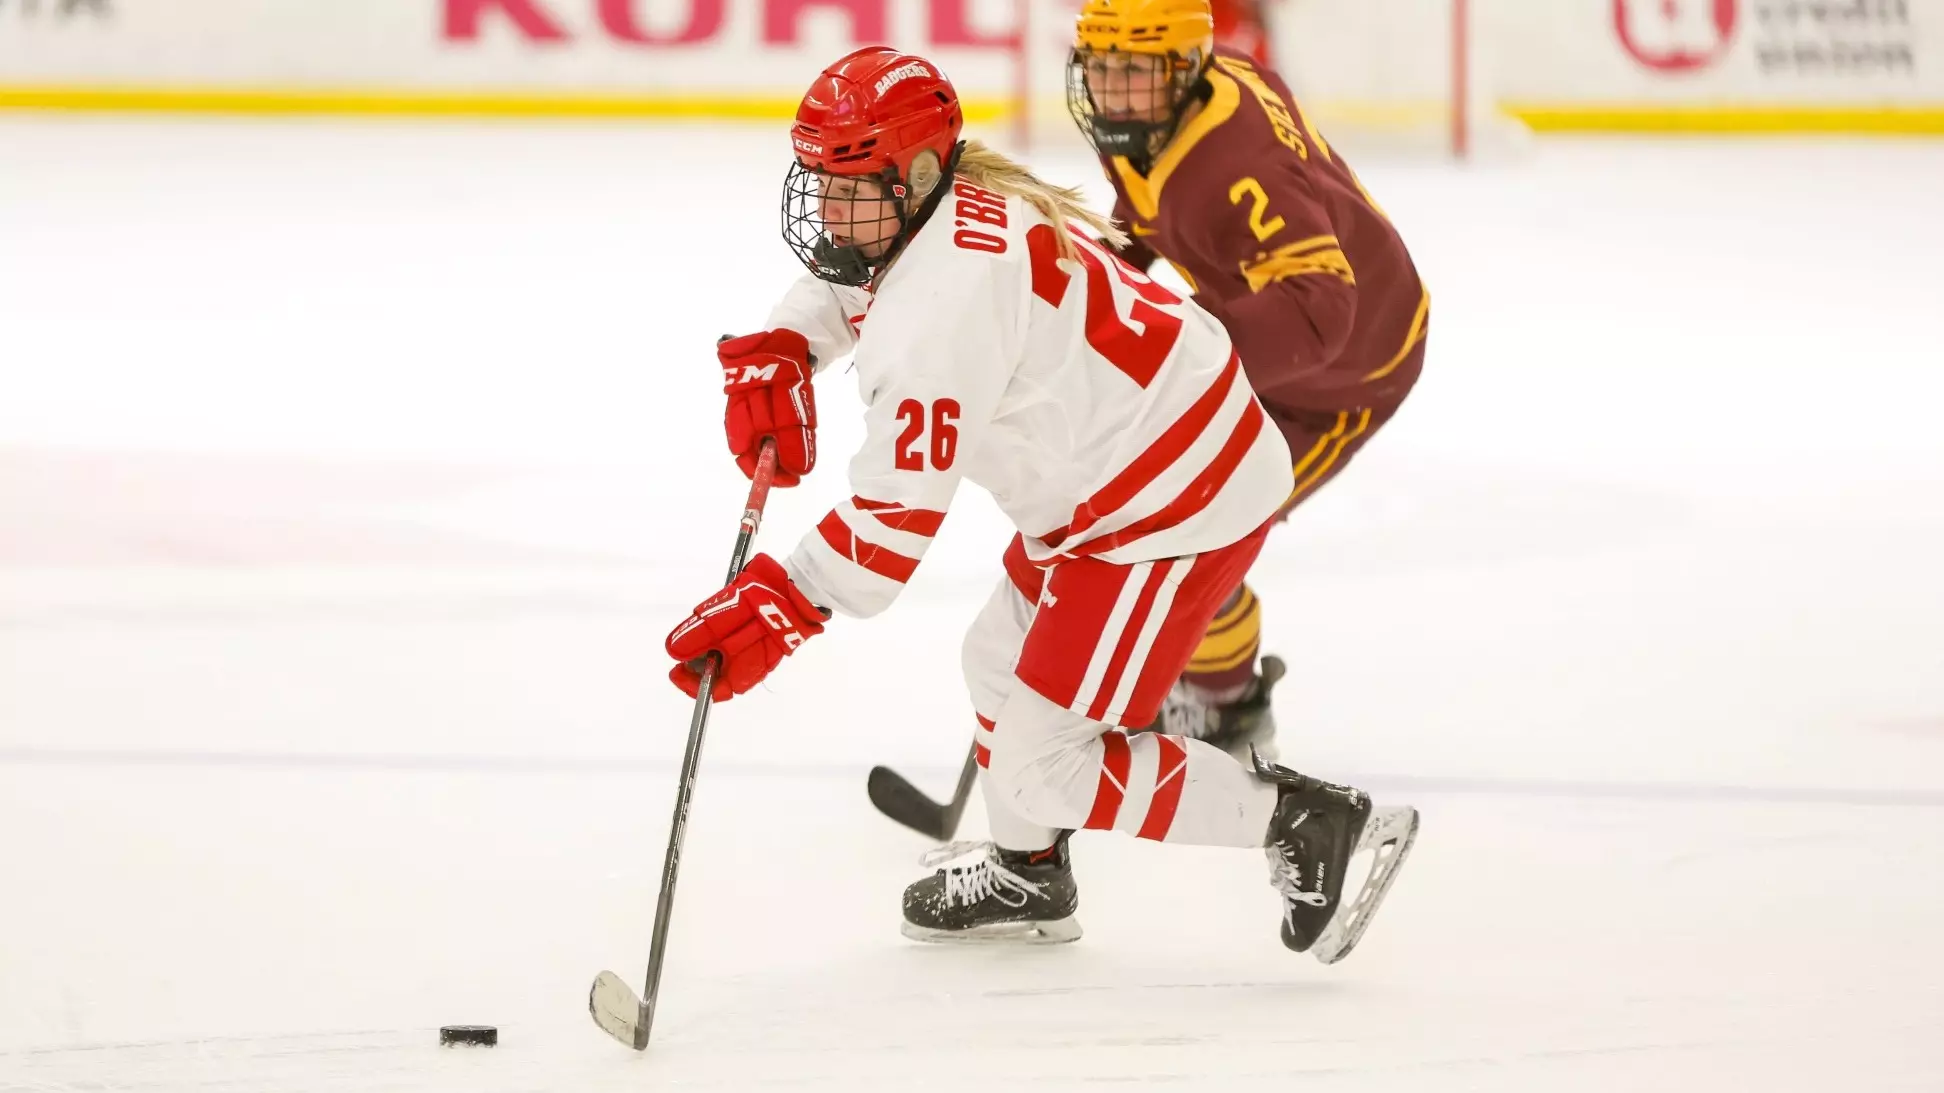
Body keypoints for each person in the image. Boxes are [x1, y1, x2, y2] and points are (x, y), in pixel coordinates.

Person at [661, 45, 1416, 958]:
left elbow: (889, 530)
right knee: (997, 661)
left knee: (1042, 761)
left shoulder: (941, 308)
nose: (827, 207)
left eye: (849, 185)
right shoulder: (938, 213)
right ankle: (1030, 873)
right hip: (1121, 475)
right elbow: (851, 277)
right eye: (819, 180)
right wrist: (787, 345)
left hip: (1168, 498)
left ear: (918, 173)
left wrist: (778, 605)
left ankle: (1297, 818)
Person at [1066, 0, 1430, 761]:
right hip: (1262, 334)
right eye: (1101, 68)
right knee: (1154, 505)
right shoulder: (1169, 108)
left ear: (1184, 69)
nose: (1112, 90)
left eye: (1134, 70)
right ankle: (1172, 667)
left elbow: (1323, 308)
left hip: (1347, 372)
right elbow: (1151, 203)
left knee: (1200, 522)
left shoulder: (1236, 163)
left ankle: (1229, 703)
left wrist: (1177, 353)